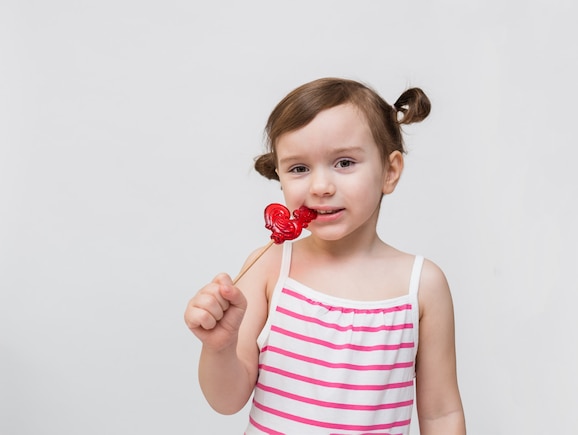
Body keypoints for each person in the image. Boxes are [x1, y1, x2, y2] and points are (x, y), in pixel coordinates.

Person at [184, 77, 466, 434]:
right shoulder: (271, 267)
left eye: (344, 162)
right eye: (299, 168)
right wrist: (219, 347)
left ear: (390, 171)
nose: (320, 187)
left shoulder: (422, 286)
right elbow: (226, 401)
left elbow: (441, 414)